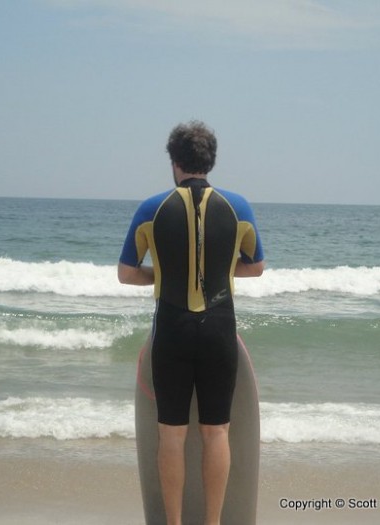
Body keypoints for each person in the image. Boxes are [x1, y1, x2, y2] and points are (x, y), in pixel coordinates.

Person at [118, 120, 265, 525]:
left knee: (172, 434)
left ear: (174, 161)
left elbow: (126, 273)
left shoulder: (152, 208)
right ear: (210, 161)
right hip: (219, 328)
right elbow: (256, 267)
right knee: (216, 431)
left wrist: (161, 275)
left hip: (172, 329)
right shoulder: (239, 207)